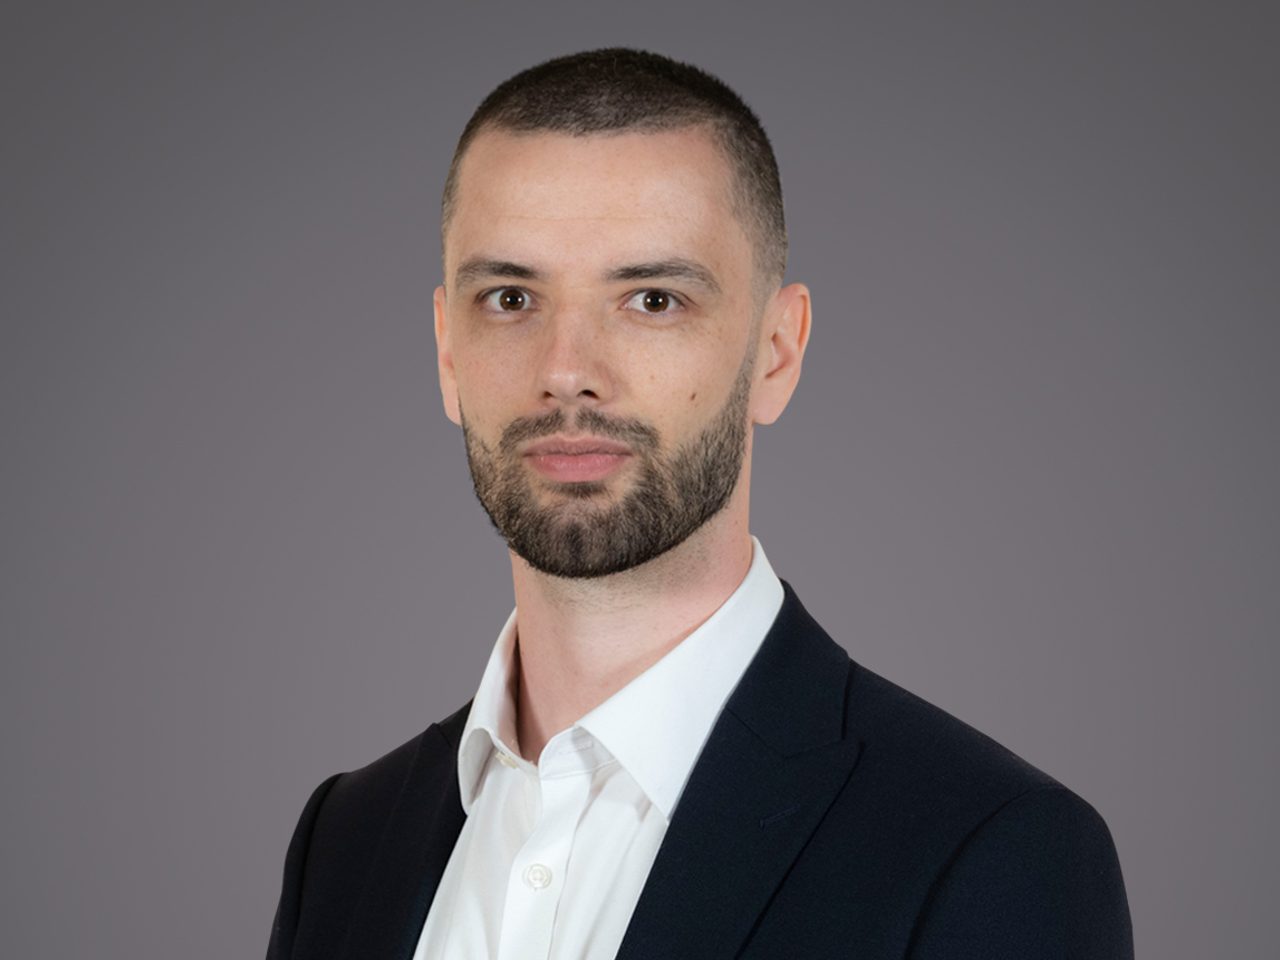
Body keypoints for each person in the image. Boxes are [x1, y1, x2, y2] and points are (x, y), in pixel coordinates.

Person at [265, 48, 1133, 960]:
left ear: (776, 352)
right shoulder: (347, 842)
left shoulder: (994, 851)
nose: (567, 372)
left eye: (651, 299)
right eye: (511, 297)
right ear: (448, 352)